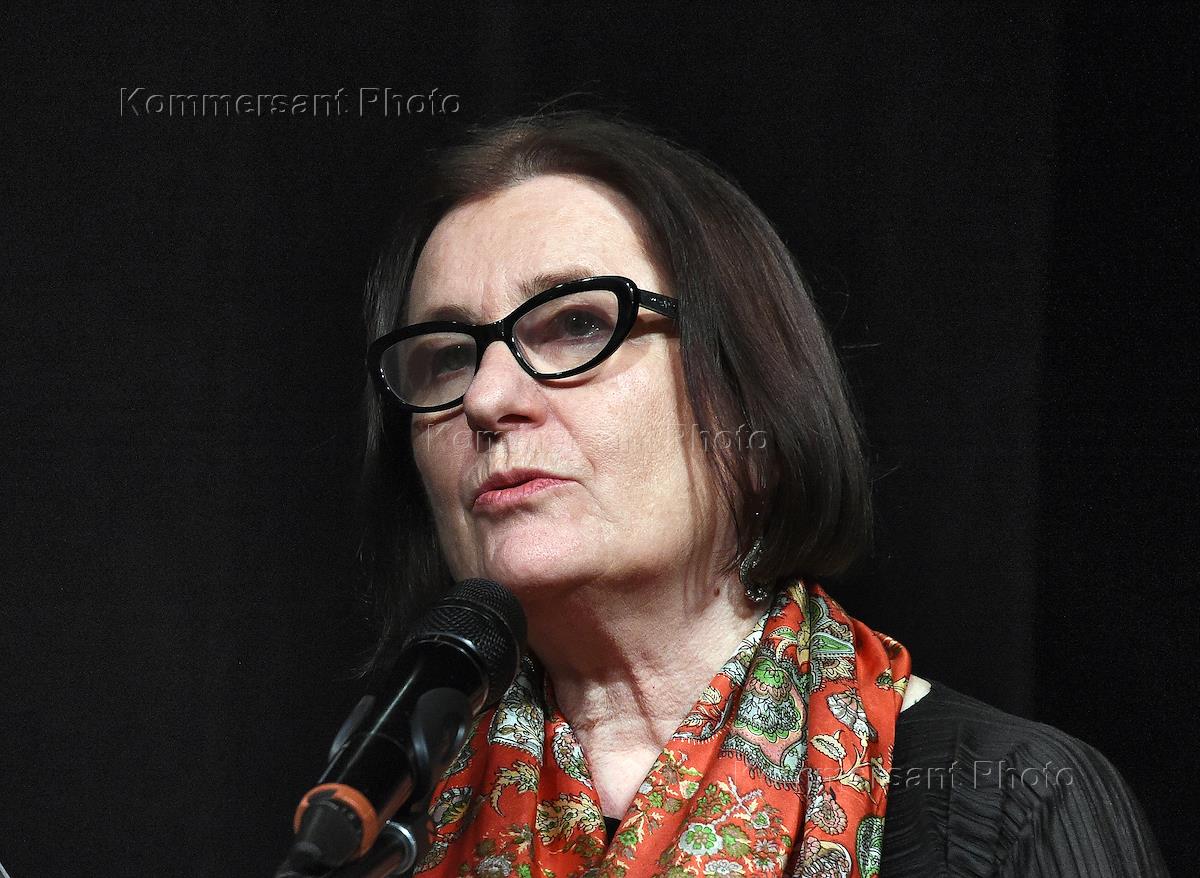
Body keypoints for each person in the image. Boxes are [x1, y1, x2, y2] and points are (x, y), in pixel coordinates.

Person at [357, 111, 1166, 877]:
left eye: (575, 325)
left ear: (749, 393)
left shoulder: (1010, 803)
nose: (487, 399)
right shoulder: (379, 820)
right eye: (447, 356)